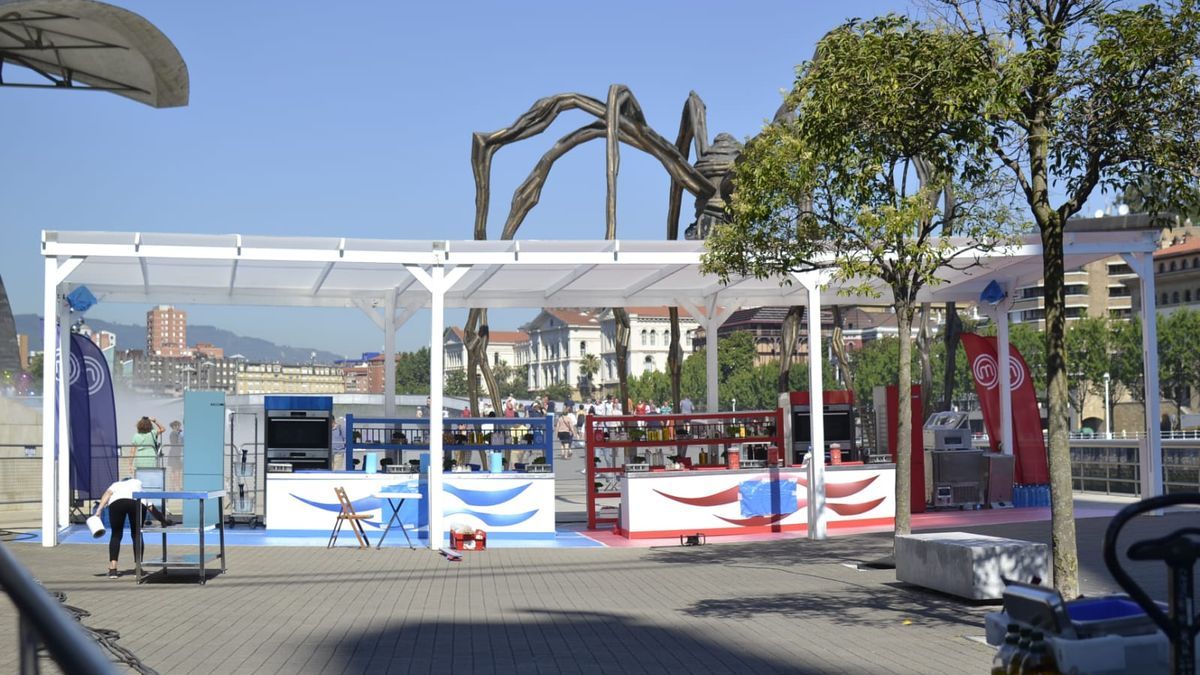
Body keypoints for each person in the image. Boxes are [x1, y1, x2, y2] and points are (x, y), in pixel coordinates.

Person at [92, 476, 169, 578]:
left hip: (117, 503)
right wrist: (163, 521)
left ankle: (113, 569)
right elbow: (150, 507)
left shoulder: (116, 484)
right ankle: (138, 567)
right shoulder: (138, 484)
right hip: (136, 503)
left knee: (116, 534)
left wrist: (99, 510)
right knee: (137, 534)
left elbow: (107, 494)